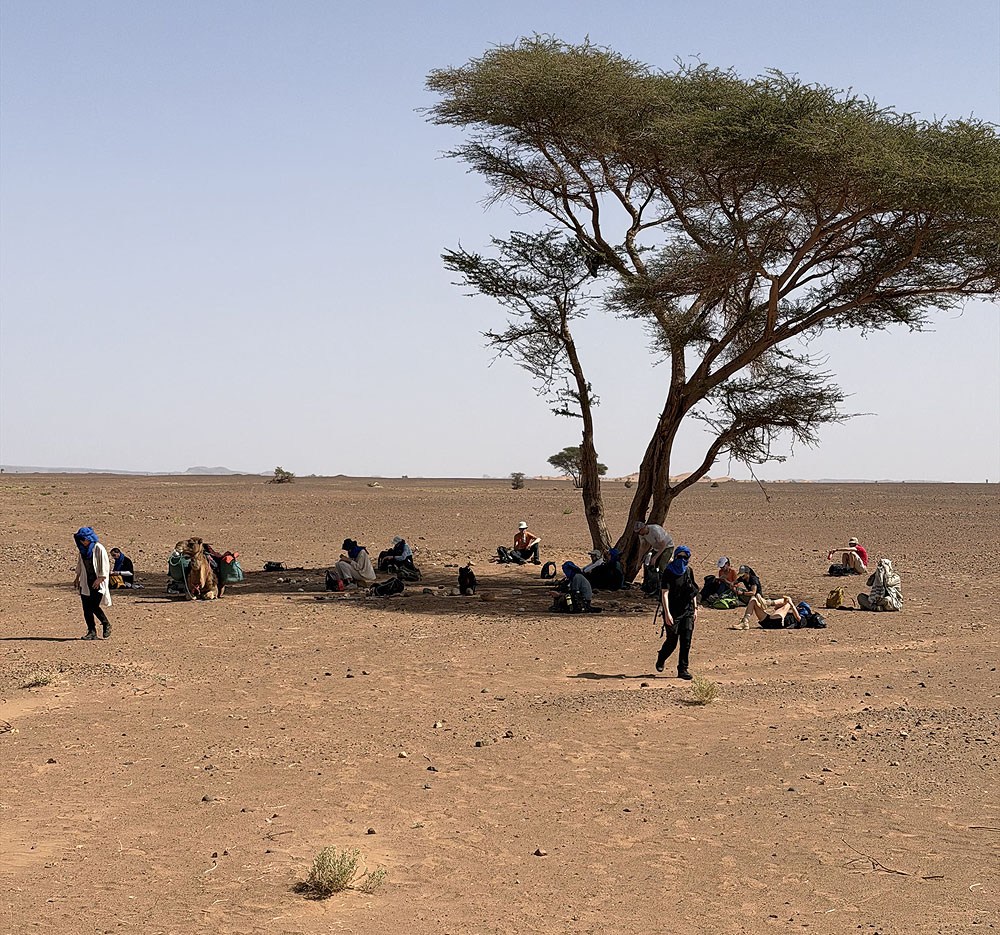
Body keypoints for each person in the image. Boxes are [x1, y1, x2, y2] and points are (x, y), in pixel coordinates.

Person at [655, 545, 699, 679]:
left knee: (686, 641)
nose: (682, 559)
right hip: (672, 611)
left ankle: (683, 669)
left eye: (685, 557)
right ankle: (661, 657)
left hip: (688, 610)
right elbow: (664, 593)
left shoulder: (688, 571)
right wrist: (667, 613)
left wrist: (695, 608)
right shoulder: (668, 572)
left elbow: (693, 591)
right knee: (672, 641)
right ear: (675, 556)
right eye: (680, 556)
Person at [72, 526, 112, 640]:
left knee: (94, 606)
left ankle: (106, 623)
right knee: (86, 608)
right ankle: (91, 631)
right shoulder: (82, 550)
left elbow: (104, 564)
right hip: (86, 581)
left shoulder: (98, 548)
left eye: (83, 539)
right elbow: (80, 564)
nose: (82, 542)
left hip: (97, 581)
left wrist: (101, 578)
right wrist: (77, 577)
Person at [735, 593, 801, 630]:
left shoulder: (804, 616)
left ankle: (767, 603)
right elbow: (776, 608)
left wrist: (791, 604)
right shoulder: (785, 611)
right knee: (753, 600)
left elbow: (798, 618)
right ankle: (745, 622)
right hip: (768, 621)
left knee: (787, 602)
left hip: (779, 623)